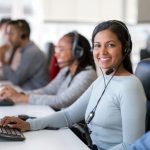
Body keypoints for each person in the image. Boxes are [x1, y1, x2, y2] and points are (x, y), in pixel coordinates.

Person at [0, 20, 146, 150]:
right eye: (97, 46)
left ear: (125, 48)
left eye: (111, 45)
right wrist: (29, 124)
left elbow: (131, 145)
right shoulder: (102, 80)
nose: (102, 52)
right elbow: (68, 115)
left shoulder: (130, 86)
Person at [0, 31, 97, 109]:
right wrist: (18, 94)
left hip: (73, 128)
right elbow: (48, 90)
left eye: (61, 49)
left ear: (77, 52)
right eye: (57, 50)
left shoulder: (88, 75)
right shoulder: (66, 71)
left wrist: (22, 98)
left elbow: (62, 101)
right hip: (58, 117)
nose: (56, 54)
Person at [0, 19, 49, 90]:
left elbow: (15, 80)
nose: (8, 38)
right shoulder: (25, 50)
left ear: (23, 35)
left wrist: (2, 60)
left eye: (11, 34)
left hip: (33, 94)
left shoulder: (31, 53)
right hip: (25, 91)